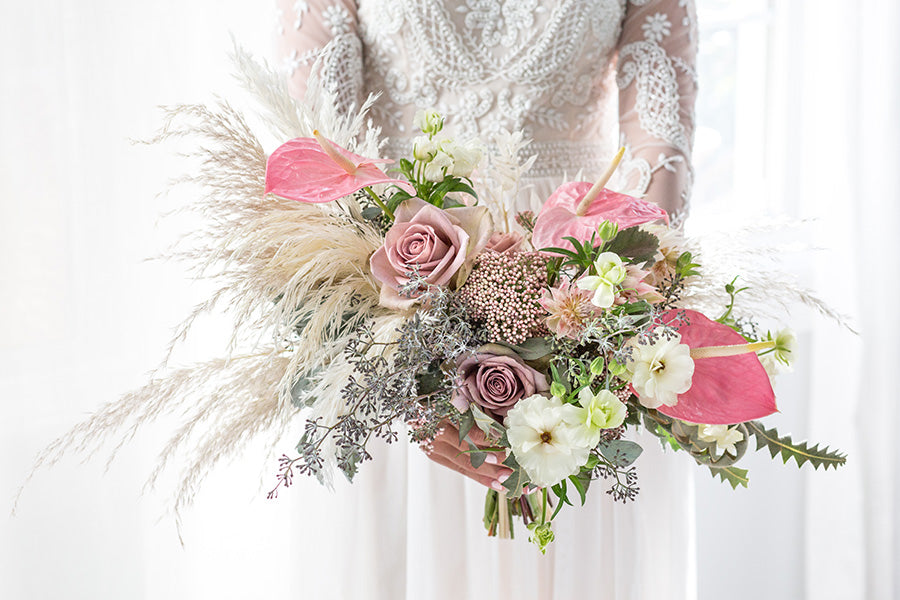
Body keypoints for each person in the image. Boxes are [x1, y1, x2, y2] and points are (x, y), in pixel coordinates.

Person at [276, 2, 698, 598]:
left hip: (580, 301)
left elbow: (661, 155)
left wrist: (588, 319)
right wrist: (423, 385)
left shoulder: (586, 315)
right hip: (396, 310)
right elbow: (321, 161)